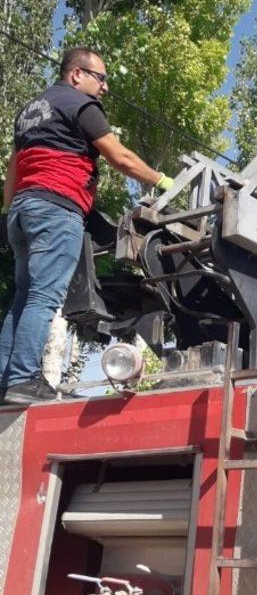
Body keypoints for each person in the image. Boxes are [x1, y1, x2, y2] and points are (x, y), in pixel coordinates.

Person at [0, 46, 176, 405]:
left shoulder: (30, 112)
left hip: (22, 210)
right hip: (55, 209)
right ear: (76, 75)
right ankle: (22, 380)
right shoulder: (79, 104)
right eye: (101, 78)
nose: (105, 88)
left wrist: (7, 213)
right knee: (43, 298)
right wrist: (164, 181)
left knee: (22, 299)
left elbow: (14, 169)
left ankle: (6, 381)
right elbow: (120, 156)